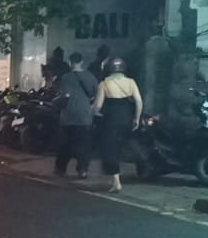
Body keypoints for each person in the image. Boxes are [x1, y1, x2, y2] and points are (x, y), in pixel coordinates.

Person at [93, 56, 143, 193]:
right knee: (126, 146)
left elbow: (98, 105)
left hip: (111, 120)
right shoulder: (131, 82)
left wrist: (95, 112)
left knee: (111, 149)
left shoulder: (104, 84)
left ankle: (116, 182)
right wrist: (136, 118)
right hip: (127, 118)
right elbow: (139, 101)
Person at [53, 52, 98, 179]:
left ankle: (60, 169)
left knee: (65, 145)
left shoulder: (65, 77)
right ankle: (82, 170)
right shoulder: (90, 77)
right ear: (82, 62)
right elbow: (96, 94)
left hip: (68, 116)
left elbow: (63, 95)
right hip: (85, 116)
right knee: (84, 145)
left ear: (70, 62)